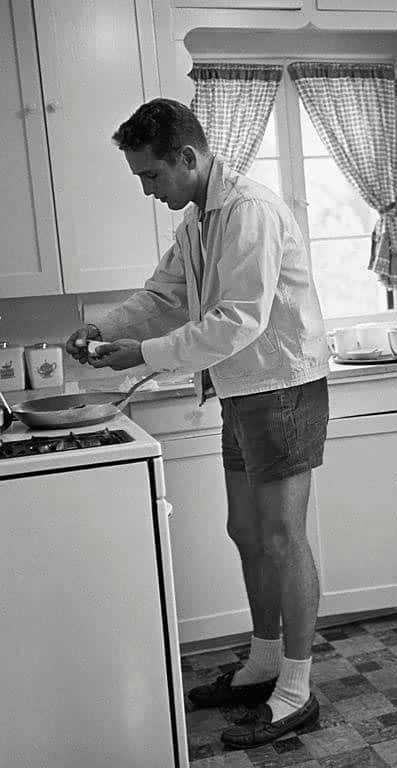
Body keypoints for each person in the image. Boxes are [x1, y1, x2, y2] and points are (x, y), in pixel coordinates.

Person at [66, 98, 330, 747]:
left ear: (187, 157)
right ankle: (265, 660)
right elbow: (164, 297)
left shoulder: (250, 213)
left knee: (282, 539)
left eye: (151, 177)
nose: (149, 191)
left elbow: (241, 319)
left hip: (283, 387)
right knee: (245, 530)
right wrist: (103, 329)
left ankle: (296, 688)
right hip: (240, 392)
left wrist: (143, 356)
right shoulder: (197, 224)